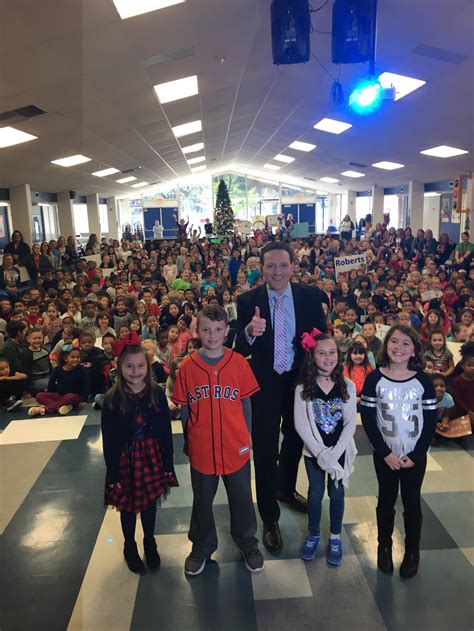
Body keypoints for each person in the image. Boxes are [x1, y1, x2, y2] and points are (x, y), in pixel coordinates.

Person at [234, 241, 327, 552]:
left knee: (295, 439)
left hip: (299, 382)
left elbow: (321, 336)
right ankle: (269, 516)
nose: (277, 271)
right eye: (270, 266)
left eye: (282, 265)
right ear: (261, 269)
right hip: (264, 384)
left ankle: (285, 488)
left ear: (293, 267)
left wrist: (314, 345)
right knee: (263, 446)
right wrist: (249, 331)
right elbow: (240, 347)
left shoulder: (310, 296)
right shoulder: (247, 300)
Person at [172, 306, 264, 576]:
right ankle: (201, 546)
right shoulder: (188, 366)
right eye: (206, 329)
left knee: (242, 498)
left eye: (217, 329)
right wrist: (189, 439)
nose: (212, 335)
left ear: (227, 331)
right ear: (196, 331)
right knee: (202, 500)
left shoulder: (237, 362)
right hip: (202, 446)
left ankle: (248, 544)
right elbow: (186, 409)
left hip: (236, 445)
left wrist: (246, 436)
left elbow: (245, 403)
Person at [360, 325, 437, 578]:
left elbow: (429, 420)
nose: (399, 348)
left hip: (414, 456)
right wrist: (384, 452)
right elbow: (369, 419)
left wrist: (416, 455)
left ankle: (412, 551)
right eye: (394, 341)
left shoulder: (422, 381)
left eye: (406, 343)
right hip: (386, 455)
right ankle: (384, 546)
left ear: (415, 349)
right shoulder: (374, 378)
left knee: (412, 502)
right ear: (386, 345)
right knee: (385, 501)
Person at [101, 333, 178, 573]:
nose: (135, 371)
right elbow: (109, 439)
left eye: (141, 366)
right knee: (128, 507)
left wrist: (168, 463)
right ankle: (129, 545)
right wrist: (112, 473)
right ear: (119, 367)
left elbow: (165, 430)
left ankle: (149, 541)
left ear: (148, 365)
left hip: (151, 456)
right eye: (130, 366)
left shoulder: (155, 393)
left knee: (149, 504)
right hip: (125, 459)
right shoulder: (113, 398)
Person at [294, 332, 357, 566]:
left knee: (337, 493)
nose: (327, 357)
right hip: (314, 454)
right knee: (315, 493)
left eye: (332, 352)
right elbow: (301, 425)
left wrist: (334, 454)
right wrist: (321, 453)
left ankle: (335, 536)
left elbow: (350, 424)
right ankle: (313, 534)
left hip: (339, 453)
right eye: (321, 352)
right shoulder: (303, 387)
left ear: (339, 356)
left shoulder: (347, 386)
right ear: (312, 356)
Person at [29, 341, 90, 416]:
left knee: (70, 396)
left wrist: (84, 400)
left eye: (78, 357)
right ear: (65, 358)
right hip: (60, 395)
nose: (75, 359)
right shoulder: (57, 370)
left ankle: (47, 409)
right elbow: (51, 384)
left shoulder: (81, 370)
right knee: (39, 395)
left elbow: (86, 385)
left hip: (75, 397)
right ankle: (60, 407)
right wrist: (50, 394)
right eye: (72, 357)